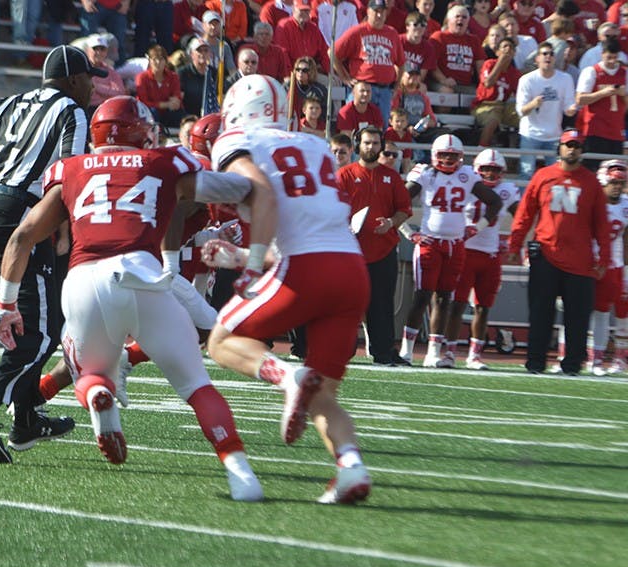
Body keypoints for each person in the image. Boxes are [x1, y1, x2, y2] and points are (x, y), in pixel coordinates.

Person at [0, 96, 264, 501]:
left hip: (84, 281)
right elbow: (237, 190)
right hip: (144, 276)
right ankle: (240, 472)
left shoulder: (70, 168)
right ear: (141, 131)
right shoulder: (163, 162)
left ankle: (99, 396)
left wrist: (6, 305)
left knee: (87, 374)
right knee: (197, 386)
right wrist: (258, 183)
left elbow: (23, 236)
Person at [204, 74, 374, 504]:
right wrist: (245, 257)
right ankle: (351, 466)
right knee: (323, 394)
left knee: (221, 340)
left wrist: (248, 267)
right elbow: (308, 225)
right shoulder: (315, 144)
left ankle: (285, 375)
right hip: (352, 269)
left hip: (305, 268)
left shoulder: (237, 140)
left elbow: (264, 193)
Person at [0, 45, 102, 463]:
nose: (91, 88)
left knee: (24, 319)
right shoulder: (71, 110)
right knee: (41, 330)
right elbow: (71, 175)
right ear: (73, 80)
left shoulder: (7, 102)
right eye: (88, 79)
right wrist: (64, 230)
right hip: (20, 217)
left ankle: (26, 416)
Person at [507, 129, 611, 375]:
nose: (572, 149)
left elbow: (602, 224)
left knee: (577, 318)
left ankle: (572, 364)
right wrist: (515, 244)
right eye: (568, 145)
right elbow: (524, 213)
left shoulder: (591, 182)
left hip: (581, 260)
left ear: (582, 150)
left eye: (576, 145)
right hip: (546, 255)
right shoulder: (543, 176)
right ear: (560, 149)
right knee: (540, 313)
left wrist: (604, 257)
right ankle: (535, 362)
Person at [400, 134, 502, 368]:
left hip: (455, 245)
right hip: (430, 243)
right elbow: (398, 200)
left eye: (452, 155)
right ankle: (406, 351)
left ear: (460, 157)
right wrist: (408, 232)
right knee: (422, 296)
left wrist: (477, 228)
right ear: (435, 154)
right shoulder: (425, 173)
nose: (447, 159)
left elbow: (494, 202)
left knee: (445, 298)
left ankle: (433, 353)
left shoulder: (467, 175)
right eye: (443, 154)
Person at [336, 125, 412, 366]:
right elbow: (331, 208)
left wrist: (390, 222)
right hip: (350, 252)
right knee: (346, 304)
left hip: (383, 250)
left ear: (382, 146)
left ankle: (383, 352)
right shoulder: (345, 175)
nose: (371, 147)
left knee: (382, 304)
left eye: (376, 143)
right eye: (367, 143)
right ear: (358, 145)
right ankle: (341, 351)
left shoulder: (391, 176)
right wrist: (341, 226)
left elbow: (404, 210)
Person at [445, 148, 520, 370]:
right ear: (478, 169)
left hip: (490, 254)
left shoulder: (507, 191)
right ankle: (450, 352)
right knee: (457, 305)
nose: (489, 174)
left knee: (483, 306)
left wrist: (514, 241)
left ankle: (474, 355)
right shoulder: (467, 184)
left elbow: (522, 216)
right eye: (485, 169)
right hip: (465, 252)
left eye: (494, 170)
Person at [586, 159, 628, 376]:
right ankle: (564, 356)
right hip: (584, 263)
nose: (617, 186)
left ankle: (596, 360)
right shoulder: (589, 202)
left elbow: (627, 242)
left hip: (611, 266)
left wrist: (627, 275)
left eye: (620, 183)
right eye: (613, 182)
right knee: (573, 312)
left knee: (602, 313)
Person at [333, 0, 404, 126]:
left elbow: (401, 63)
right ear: (368, 11)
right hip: (362, 87)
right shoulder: (357, 31)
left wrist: (396, 86)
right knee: (355, 126)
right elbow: (333, 53)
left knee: (380, 129)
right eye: (376, 11)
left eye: (382, 12)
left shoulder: (392, 33)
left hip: (384, 90)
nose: (379, 15)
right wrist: (345, 78)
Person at [514, 42, 577, 179]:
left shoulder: (565, 79)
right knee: (526, 173)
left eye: (551, 54)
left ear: (555, 59)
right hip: (530, 134)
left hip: (554, 135)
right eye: (544, 54)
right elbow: (521, 111)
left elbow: (568, 108)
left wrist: (572, 109)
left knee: (555, 175)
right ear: (537, 59)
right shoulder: (527, 80)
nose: (548, 57)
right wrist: (533, 104)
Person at [575, 38, 628, 158]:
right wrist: (602, 93)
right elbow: (580, 99)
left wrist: (622, 93)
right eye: (609, 57)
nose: (612, 61)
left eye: (615, 57)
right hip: (594, 130)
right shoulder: (591, 71)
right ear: (602, 54)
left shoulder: (626, 72)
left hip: (616, 130)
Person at [473, 36, 521, 147]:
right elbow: (488, 83)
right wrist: (500, 63)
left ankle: (515, 154)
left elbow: (519, 93)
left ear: (514, 53)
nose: (508, 49)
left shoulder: (515, 73)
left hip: (503, 106)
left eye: (511, 47)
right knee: (493, 120)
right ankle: (481, 148)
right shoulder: (489, 64)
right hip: (484, 105)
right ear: (497, 52)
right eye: (504, 47)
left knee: (524, 119)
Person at [135, 44, 184, 128]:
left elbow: (177, 96)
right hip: (150, 113)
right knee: (152, 112)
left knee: (179, 113)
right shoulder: (142, 77)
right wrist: (165, 104)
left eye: (161, 59)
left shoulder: (173, 76)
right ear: (149, 60)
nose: (158, 63)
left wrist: (175, 101)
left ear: (165, 61)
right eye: (154, 59)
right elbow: (143, 102)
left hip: (168, 112)